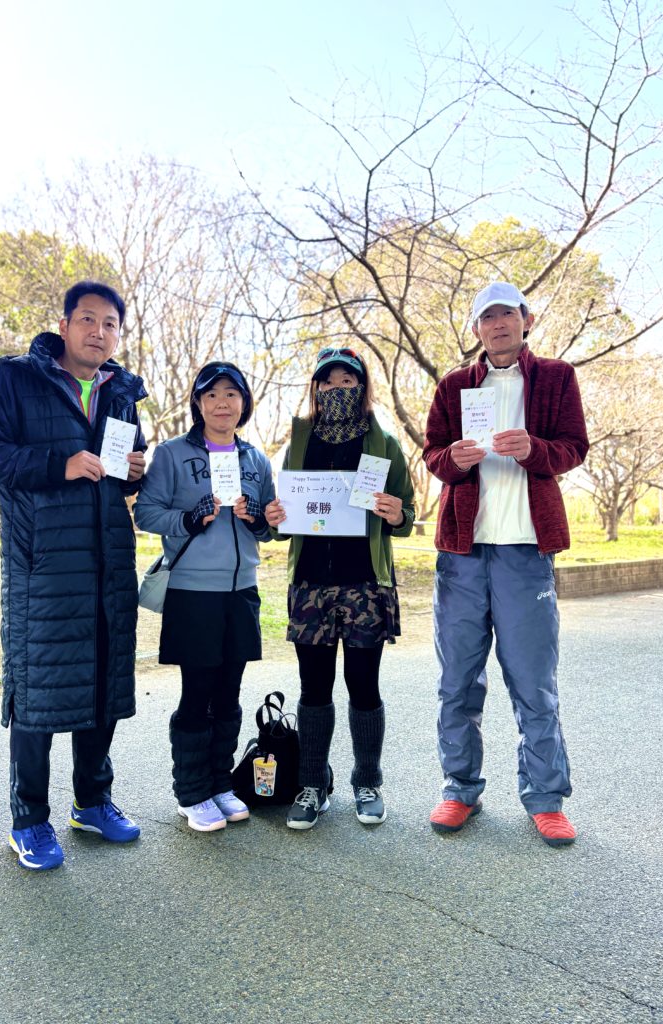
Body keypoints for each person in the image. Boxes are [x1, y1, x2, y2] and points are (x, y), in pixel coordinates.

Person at [0, 281, 147, 870]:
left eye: (110, 324)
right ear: (64, 326)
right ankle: (29, 820)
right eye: (88, 319)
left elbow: (124, 470)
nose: (99, 332)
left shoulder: (122, 392)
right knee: (38, 694)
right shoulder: (17, 381)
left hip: (108, 564)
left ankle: (92, 802)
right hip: (41, 568)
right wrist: (56, 464)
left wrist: (135, 470)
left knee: (103, 684)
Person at [423, 281, 590, 847]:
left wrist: (534, 450)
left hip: (525, 550)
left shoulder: (556, 378)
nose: (498, 325)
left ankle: (545, 798)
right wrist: (453, 459)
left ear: (526, 320)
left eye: (507, 315)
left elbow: (574, 447)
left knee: (533, 682)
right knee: (456, 680)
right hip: (462, 554)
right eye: (487, 317)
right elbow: (433, 455)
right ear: (476, 329)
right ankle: (459, 788)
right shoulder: (454, 386)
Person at [264, 348, 416, 830]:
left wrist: (397, 514)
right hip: (310, 583)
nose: (336, 389)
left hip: (365, 583)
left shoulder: (384, 443)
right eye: (327, 382)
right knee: (314, 688)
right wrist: (276, 518)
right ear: (315, 388)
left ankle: (367, 782)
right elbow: (284, 518)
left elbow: (407, 513)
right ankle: (313, 785)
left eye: (347, 381)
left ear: (363, 386)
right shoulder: (299, 440)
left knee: (363, 686)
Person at [133, 362, 275, 832]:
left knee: (229, 694)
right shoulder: (172, 454)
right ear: (198, 403)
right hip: (193, 591)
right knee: (197, 694)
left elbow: (270, 527)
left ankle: (220, 784)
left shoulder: (256, 460)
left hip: (242, 590)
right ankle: (191, 793)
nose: (221, 403)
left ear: (244, 403)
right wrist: (187, 520)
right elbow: (146, 513)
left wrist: (260, 519)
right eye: (211, 395)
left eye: (231, 394)